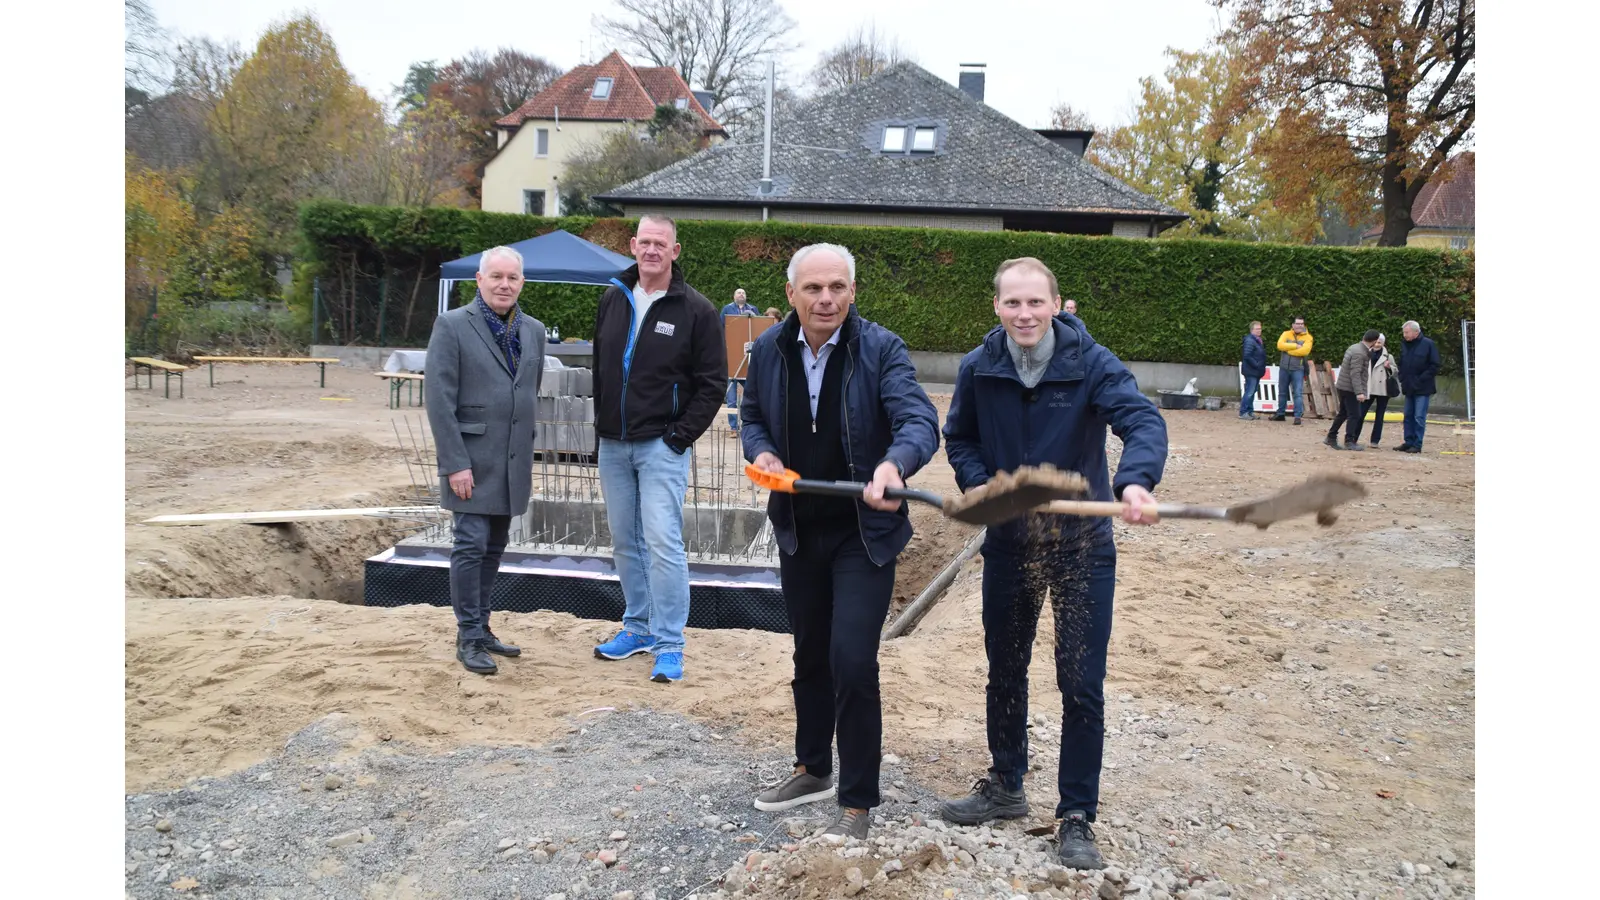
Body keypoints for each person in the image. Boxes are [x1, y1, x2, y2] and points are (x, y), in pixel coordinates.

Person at [938, 257, 1168, 870]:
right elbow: (957, 437)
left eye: (1035, 303)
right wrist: (984, 485)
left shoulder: (1091, 363)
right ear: (997, 307)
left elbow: (1141, 419)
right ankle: (1007, 785)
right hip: (1011, 544)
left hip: (1081, 547)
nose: (1024, 314)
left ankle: (1076, 814)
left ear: (1057, 304)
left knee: (1080, 683)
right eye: (1012, 303)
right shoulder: (978, 367)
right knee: (1005, 670)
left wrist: (1135, 483)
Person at [741, 244, 940, 843]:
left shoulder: (880, 349)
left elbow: (918, 421)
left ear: (852, 292)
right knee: (808, 653)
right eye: (813, 289)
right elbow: (750, 416)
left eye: (837, 288)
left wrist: (895, 466)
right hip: (800, 526)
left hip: (863, 531)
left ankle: (857, 798)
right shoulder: (770, 350)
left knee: (852, 659)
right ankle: (812, 768)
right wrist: (763, 452)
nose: (825, 298)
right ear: (791, 294)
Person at [590, 215, 727, 683]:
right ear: (633, 246)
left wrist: (677, 438)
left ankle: (670, 643)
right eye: (644, 242)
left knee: (663, 544)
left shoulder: (697, 311)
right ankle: (638, 627)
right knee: (625, 541)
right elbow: (601, 368)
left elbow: (713, 385)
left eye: (660, 243)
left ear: (675, 250)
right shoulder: (613, 298)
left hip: (660, 448)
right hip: (614, 445)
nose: (651, 250)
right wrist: (601, 426)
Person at [424, 246, 547, 675]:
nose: (504, 284)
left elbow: (527, 391)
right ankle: (469, 635)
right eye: (496, 276)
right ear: (479, 280)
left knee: (494, 547)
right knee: (470, 545)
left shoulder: (533, 330)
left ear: (522, 283)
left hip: (511, 463)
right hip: (470, 462)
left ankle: (483, 626)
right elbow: (439, 400)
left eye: (512, 278)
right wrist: (455, 462)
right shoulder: (453, 325)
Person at [1325, 330, 1379, 451]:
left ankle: (1331, 436)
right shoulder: (1360, 353)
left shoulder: (1355, 347)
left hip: (1343, 386)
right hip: (1350, 388)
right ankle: (1349, 441)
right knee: (1355, 415)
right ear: (1374, 341)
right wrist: (1359, 392)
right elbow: (1355, 373)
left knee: (1343, 413)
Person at [1395, 320, 1440, 454]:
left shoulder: (1428, 344)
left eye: (1406, 332)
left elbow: (1435, 365)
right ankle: (1408, 442)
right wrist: (1402, 377)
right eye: (1404, 332)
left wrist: (1420, 379)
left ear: (1416, 332)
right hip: (1408, 386)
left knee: (1419, 416)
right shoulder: (1405, 345)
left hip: (1423, 387)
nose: (1404, 335)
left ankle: (1417, 444)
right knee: (1408, 416)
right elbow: (1402, 362)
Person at [721, 289, 759, 432]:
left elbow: (758, 329)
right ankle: (733, 427)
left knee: (749, 394)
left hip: (746, 357)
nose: (741, 294)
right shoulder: (727, 309)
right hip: (731, 358)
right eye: (738, 293)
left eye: (743, 293)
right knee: (731, 398)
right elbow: (721, 328)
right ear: (733, 296)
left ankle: (748, 424)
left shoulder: (753, 309)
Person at [1269, 317, 1313, 424]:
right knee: (1282, 392)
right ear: (1293, 325)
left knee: (1297, 393)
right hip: (1284, 368)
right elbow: (1280, 345)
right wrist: (1295, 346)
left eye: (1302, 324)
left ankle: (1297, 416)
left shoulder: (1308, 337)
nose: (1300, 326)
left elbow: (1305, 351)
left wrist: (1288, 351)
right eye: (1297, 323)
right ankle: (1280, 414)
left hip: (1298, 369)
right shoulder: (1285, 333)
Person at [1360, 334, 1398, 447]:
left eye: (1380, 342)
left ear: (1383, 343)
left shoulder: (1388, 356)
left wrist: (1389, 367)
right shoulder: (1365, 353)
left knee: (1379, 416)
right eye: (1376, 342)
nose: (1377, 344)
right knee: (1361, 413)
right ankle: (1353, 437)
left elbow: (1395, 371)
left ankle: (1375, 441)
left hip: (1383, 390)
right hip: (1369, 388)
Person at [1239, 320, 1267, 420]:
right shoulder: (1250, 340)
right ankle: (1243, 412)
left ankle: (1250, 411)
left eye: (1260, 328)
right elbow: (1247, 355)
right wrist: (1257, 364)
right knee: (1250, 391)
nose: (1259, 330)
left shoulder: (1257, 340)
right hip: (1251, 370)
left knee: (1252, 391)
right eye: (1257, 329)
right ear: (1252, 330)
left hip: (1255, 371)